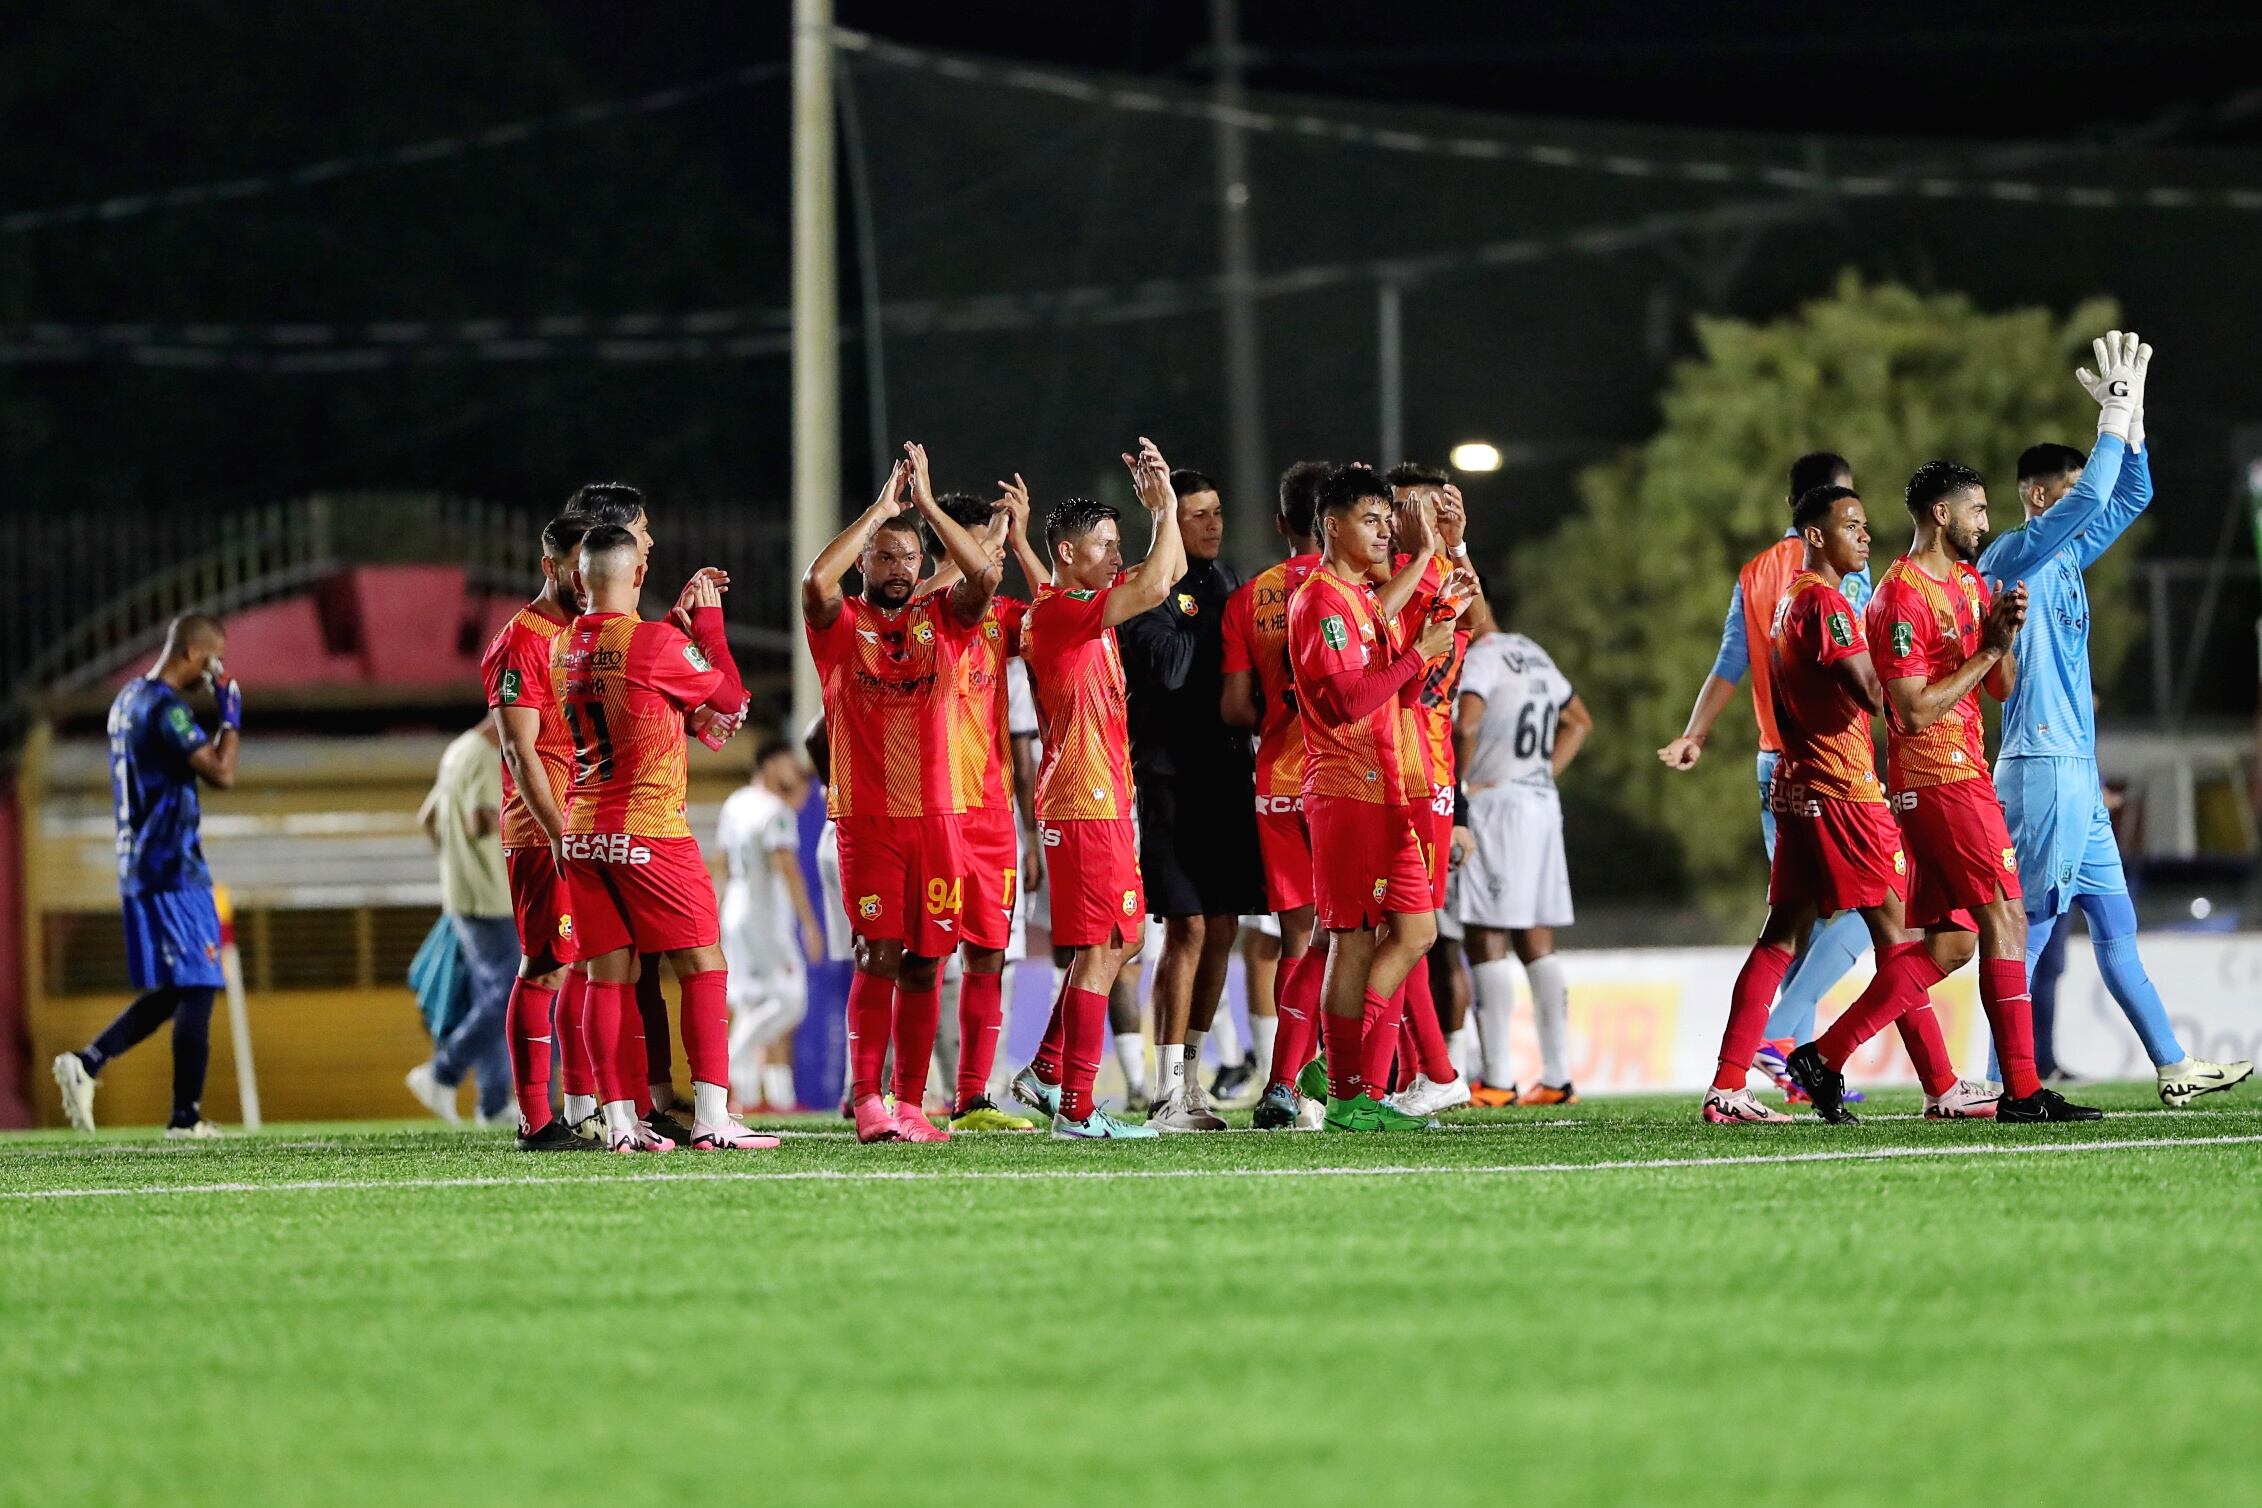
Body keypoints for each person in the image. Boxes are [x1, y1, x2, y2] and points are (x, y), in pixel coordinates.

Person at [1785, 329, 2150, 1124]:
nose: (1988, 521)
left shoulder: (1969, 585)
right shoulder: (1902, 595)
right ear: (1941, 514)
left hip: (1966, 773)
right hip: (1935, 780)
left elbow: (1998, 684)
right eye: (1979, 509)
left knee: (1951, 945)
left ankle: (1821, 1055)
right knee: (2010, 917)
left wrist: (2003, 637)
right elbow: (1908, 708)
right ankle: (2021, 1089)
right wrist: (1987, 650)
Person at [1701, 486, 1990, 1123]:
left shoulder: (1788, 602)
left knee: (1780, 937)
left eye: (1865, 523)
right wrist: (1945, 658)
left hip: (1801, 788)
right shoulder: (1827, 604)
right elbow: (1876, 695)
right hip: (1845, 796)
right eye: (1850, 525)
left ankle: (1727, 1088)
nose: (1864, 535)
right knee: (1918, 939)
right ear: (1813, 536)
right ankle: (1922, 1083)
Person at [1979, 436, 2250, 1106]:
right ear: (2039, 498)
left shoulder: (2065, 554)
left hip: (2077, 768)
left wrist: (2134, 431)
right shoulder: (2013, 553)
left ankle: (2173, 1064)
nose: (2081, 506)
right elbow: (2099, 495)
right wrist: (2110, 419)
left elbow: (2129, 493)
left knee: (2115, 927)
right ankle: (1996, 1078)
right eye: (2067, 494)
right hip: (2042, 766)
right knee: (2031, 930)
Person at [553, 522, 776, 1153]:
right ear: (640, 576)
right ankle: (712, 1116)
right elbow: (725, 692)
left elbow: (637, 676)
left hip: (583, 830)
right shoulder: (651, 643)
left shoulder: (563, 645)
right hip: (649, 826)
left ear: (577, 580)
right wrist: (706, 624)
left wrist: (672, 628)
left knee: (607, 977)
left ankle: (620, 1124)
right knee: (705, 963)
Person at [1659, 452, 1875, 1090]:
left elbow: (1731, 662)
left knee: (1796, 918)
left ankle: (1796, 1067)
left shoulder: (1755, 573)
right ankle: (1782, 1033)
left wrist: (1696, 732)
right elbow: (1858, 666)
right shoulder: (1835, 573)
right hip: (1833, 762)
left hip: (1772, 762)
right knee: (1877, 908)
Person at [804, 446, 1002, 1143]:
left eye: (906, 558)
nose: (895, 568)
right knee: (878, 952)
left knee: (928, 960)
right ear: (866, 563)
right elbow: (814, 579)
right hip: (867, 818)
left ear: (922, 567)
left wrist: (930, 509)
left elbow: (984, 572)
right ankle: (866, 1101)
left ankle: (912, 1104)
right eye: (883, 557)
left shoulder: (946, 619)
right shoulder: (840, 627)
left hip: (941, 818)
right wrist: (881, 512)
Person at [1009, 439, 1186, 1140]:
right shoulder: (1059, 612)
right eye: (1105, 546)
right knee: (1103, 945)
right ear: (1067, 555)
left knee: (1121, 940)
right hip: (1080, 801)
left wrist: (1162, 511)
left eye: (1119, 544)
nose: (1118, 557)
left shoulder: (1080, 602)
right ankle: (1075, 1108)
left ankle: (1049, 1072)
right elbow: (1152, 587)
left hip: (1106, 799)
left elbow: (1164, 571)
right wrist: (1163, 509)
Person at [1288, 463, 1472, 1132]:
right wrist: (1419, 655)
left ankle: (1335, 1072)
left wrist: (1432, 568)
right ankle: (1347, 1095)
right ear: (1332, 526)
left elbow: (1391, 642)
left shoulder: (1361, 599)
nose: (1382, 532)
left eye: (1386, 522)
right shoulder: (1320, 603)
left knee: (1417, 931)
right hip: (1346, 791)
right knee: (1353, 941)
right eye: (1372, 521)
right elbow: (1346, 702)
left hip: (1387, 792)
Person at [53, 613, 241, 1138]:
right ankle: (185, 1119)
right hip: (173, 865)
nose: (213, 672)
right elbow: (223, 773)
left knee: (176, 988)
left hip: (138, 865)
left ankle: (88, 1061)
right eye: (211, 662)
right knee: (201, 983)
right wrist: (231, 719)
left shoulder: (126, 700)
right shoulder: (166, 708)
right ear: (192, 655)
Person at [1117, 466, 1264, 1132]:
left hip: (1228, 773)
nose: (1213, 523)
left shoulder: (1229, 582)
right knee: (1188, 928)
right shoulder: (1144, 591)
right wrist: (1225, 639)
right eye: (1195, 514)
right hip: (1170, 776)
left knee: (1225, 930)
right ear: (1170, 521)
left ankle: (1195, 1082)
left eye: (1216, 511)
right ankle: (1165, 1089)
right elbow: (1172, 669)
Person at [917, 477, 1044, 1132]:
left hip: (989, 808)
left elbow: (1058, 612)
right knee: (919, 955)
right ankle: (900, 1093)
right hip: (929, 808)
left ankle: (972, 1097)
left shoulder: (1002, 616)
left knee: (989, 951)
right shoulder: (911, 611)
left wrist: (1021, 542)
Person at [1454, 589, 1591, 1106]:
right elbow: (1579, 720)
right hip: (1539, 802)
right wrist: (1538, 775)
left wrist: (1461, 786)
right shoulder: (1530, 651)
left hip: (1496, 806)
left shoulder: (1481, 658)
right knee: (1537, 938)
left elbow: (1467, 723)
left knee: (1485, 934)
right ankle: (1557, 1078)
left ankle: (1497, 1077)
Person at [1222, 460, 1328, 1130]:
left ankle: (1287, 1078)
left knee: (1297, 938)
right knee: (1370, 933)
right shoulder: (1360, 589)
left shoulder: (1248, 596)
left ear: (1281, 521)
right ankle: (1347, 1082)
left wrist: (1272, 715)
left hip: (1277, 781)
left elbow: (1233, 707)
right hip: (1345, 779)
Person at [482, 513, 589, 1151]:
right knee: (546, 966)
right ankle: (536, 1120)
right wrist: (558, 833)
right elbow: (521, 753)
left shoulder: (588, 633)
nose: (586, 578)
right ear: (549, 567)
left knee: (596, 967)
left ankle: (586, 1107)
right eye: (576, 565)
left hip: (592, 819)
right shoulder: (520, 641)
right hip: (543, 828)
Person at [1376, 462, 1478, 1117]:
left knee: (1408, 928)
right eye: (1403, 510)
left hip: (1419, 771)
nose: (1407, 522)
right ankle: (1424, 1071)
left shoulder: (1426, 578)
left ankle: (1430, 1070)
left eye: (1418, 509)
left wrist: (1451, 549)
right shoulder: (1421, 575)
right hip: (1410, 768)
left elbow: (1412, 669)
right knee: (1404, 929)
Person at [404, 718, 518, 1128]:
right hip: (492, 898)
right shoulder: (487, 757)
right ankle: (442, 1072)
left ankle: (493, 1102)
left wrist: (454, 870)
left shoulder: (457, 751)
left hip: (466, 894)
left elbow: (427, 817)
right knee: (507, 992)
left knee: (489, 994)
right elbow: (481, 819)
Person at [715, 737, 825, 1113]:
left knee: (748, 999)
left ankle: (743, 1094)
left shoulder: (736, 802)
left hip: (736, 908)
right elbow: (788, 867)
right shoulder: (775, 809)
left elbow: (724, 861)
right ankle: (730, 1063)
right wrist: (810, 924)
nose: (794, 771)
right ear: (771, 764)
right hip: (764, 910)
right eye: (788, 763)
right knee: (790, 999)